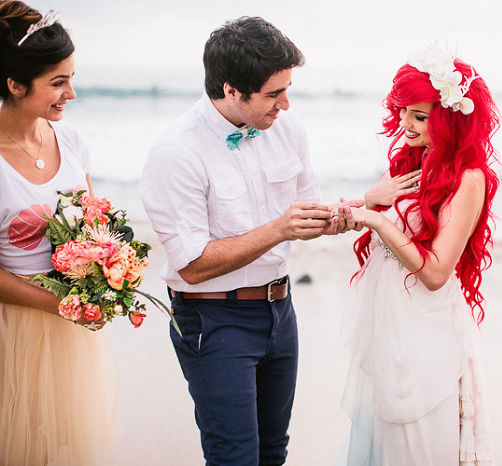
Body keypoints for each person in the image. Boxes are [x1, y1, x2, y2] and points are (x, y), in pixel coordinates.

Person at [139, 16, 360, 466]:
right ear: (231, 90)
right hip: (214, 318)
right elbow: (192, 264)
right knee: (234, 457)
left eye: (287, 88)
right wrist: (279, 228)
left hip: (281, 310)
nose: (286, 104)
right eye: (274, 93)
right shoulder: (176, 153)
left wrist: (350, 214)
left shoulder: (288, 130)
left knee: (273, 452)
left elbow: (302, 213)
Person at [339, 48, 499, 465]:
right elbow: (362, 215)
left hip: (426, 326)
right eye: (404, 112)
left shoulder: (469, 178)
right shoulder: (414, 163)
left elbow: (436, 273)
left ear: (449, 118)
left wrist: (378, 222)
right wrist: (370, 203)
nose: (405, 124)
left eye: (420, 116)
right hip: (389, 319)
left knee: (420, 436)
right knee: (382, 438)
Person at [0, 2, 117, 465]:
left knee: (65, 449)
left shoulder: (70, 140)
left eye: (71, 77)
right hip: (15, 330)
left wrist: (110, 270)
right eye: (57, 82)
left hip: (70, 331)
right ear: (14, 84)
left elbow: (95, 225)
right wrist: (59, 303)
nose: (71, 93)